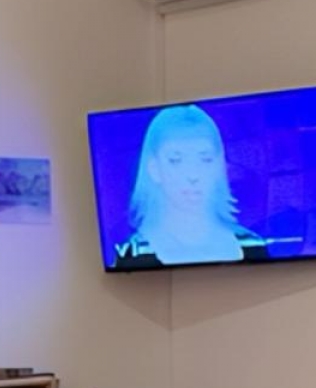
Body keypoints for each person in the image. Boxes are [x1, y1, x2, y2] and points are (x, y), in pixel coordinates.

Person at [114, 104, 270, 268]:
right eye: (176, 160)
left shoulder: (251, 245)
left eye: (205, 159)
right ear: (154, 169)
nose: (193, 175)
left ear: (220, 166)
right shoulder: (134, 252)